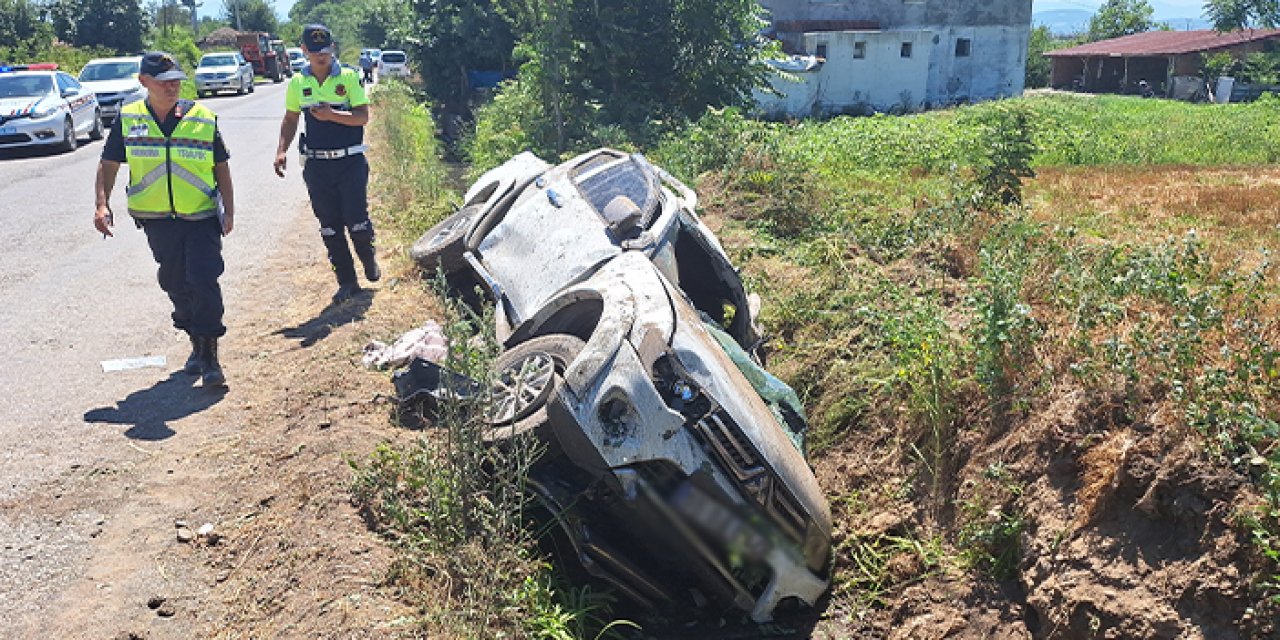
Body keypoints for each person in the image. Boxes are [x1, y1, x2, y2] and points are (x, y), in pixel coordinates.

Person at [93, 51, 235, 387]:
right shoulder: (128, 120)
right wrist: (102, 204)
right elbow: (109, 164)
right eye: (164, 82)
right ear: (144, 82)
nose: (172, 87)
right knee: (174, 282)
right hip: (157, 219)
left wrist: (230, 207)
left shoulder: (201, 117)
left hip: (200, 215)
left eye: (176, 82)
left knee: (204, 280)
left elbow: (221, 166)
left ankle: (211, 356)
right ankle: (196, 343)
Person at [274, 23, 380, 304]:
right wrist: (281, 150)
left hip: (350, 162)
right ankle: (347, 281)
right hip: (318, 166)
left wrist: (332, 115)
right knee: (330, 227)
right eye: (315, 52)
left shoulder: (349, 77)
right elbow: (291, 119)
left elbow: (362, 117)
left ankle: (368, 260)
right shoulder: (298, 83)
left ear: (332, 49)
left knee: (356, 222)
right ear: (304, 51)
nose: (321, 57)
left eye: (325, 51)